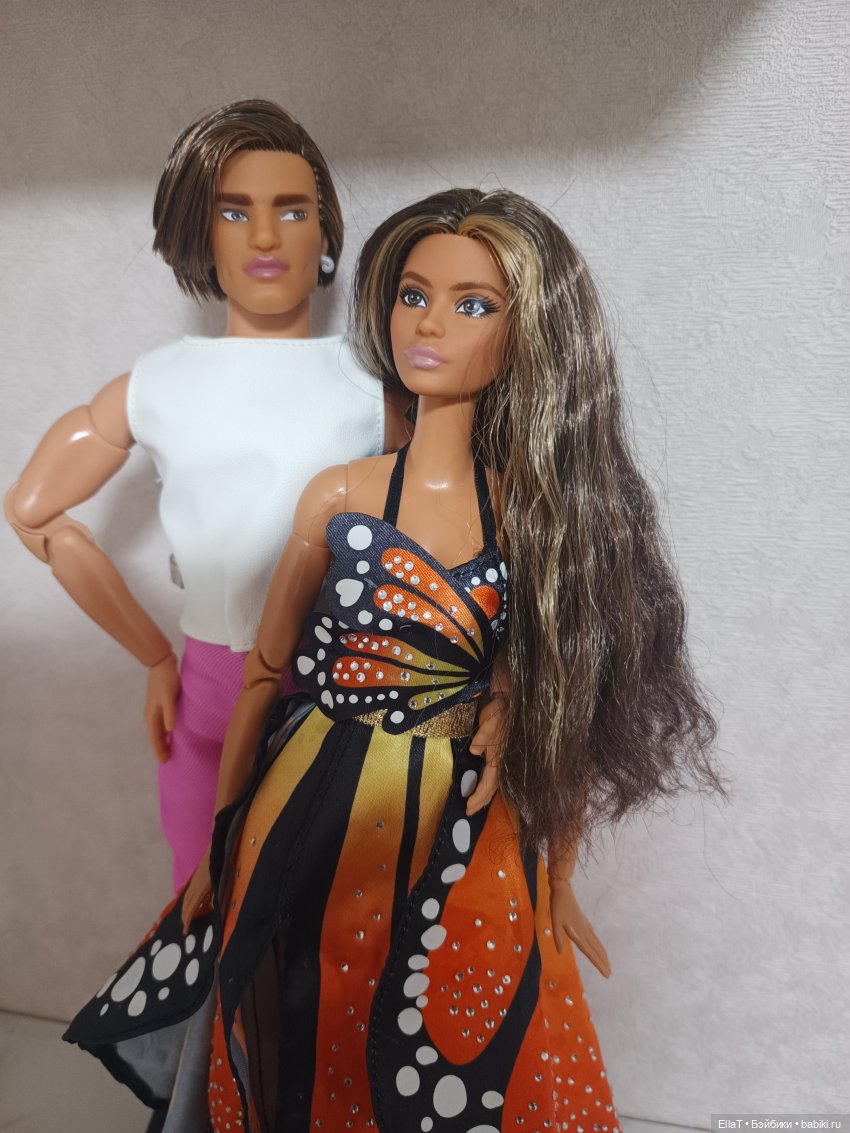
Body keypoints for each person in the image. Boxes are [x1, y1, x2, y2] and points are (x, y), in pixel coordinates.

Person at [65, 188, 721, 1131]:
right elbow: (264, 675)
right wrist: (221, 841)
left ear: (526, 336)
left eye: (471, 304)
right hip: (320, 783)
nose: (429, 324)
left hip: (458, 807)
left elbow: (564, 687)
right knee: (308, 996)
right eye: (415, 294)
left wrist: (559, 875)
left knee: (451, 1005)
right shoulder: (339, 494)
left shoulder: (530, 513)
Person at [5, 99, 408, 891]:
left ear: (324, 234)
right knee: (201, 896)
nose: (264, 237)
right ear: (202, 233)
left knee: (323, 912)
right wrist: (154, 654)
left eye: (292, 210)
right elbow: (33, 510)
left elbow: (448, 531)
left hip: (328, 695)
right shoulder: (160, 384)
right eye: (234, 212)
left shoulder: (368, 393)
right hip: (207, 692)